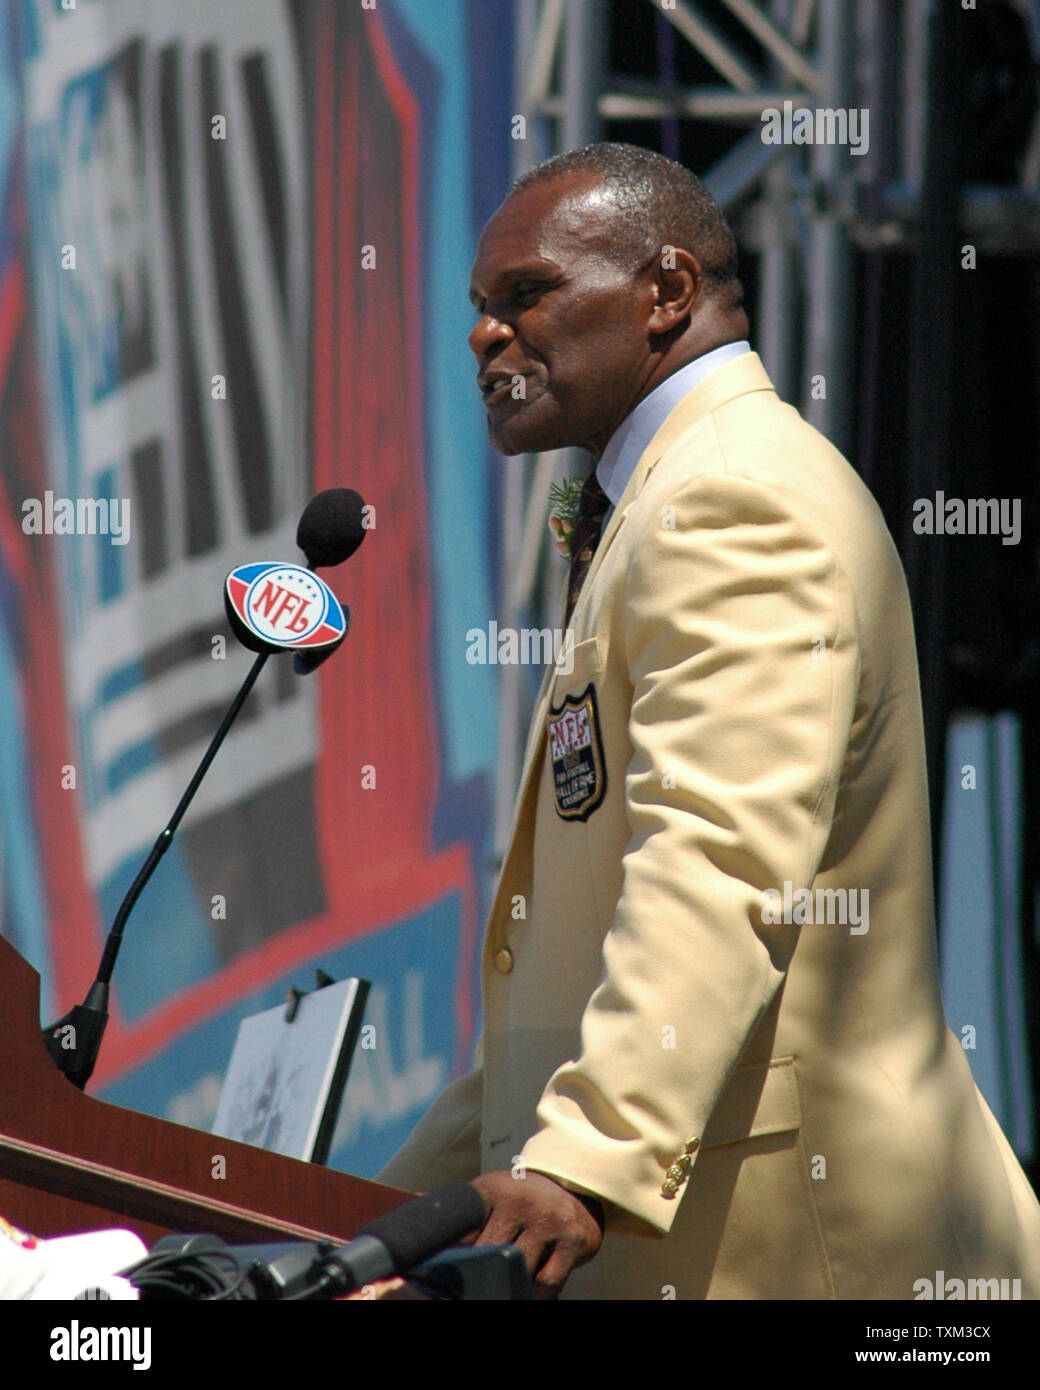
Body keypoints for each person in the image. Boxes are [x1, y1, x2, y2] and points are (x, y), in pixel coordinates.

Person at [376, 142, 1040, 1300]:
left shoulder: (733, 498)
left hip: (820, 1262)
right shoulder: (656, 504)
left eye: (528, 294)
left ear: (667, 291)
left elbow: (717, 861)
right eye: (480, 307)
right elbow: (559, 1019)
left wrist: (586, 1157)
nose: (487, 334)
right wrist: (357, 1232)